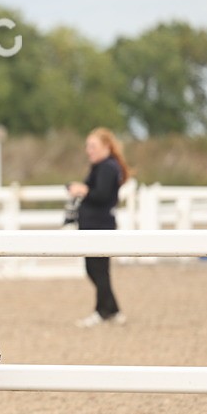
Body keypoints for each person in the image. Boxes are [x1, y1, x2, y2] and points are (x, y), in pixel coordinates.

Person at [67, 128, 131, 327]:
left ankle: (103, 311)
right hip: (93, 225)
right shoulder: (101, 167)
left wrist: (82, 190)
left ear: (106, 147)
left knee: (98, 269)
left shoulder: (107, 167)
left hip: (99, 225)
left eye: (92, 146)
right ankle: (112, 310)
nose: (88, 150)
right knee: (95, 269)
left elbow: (101, 195)